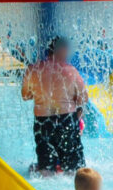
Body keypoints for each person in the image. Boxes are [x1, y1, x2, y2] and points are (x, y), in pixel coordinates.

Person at [22, 37, 88, 173]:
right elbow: (83, 98)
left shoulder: (33, 69)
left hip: (42, 122)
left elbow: (25, 96)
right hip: (67, 120)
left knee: (45, 169)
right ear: (62, 50)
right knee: (74, 169)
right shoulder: (71, 71)